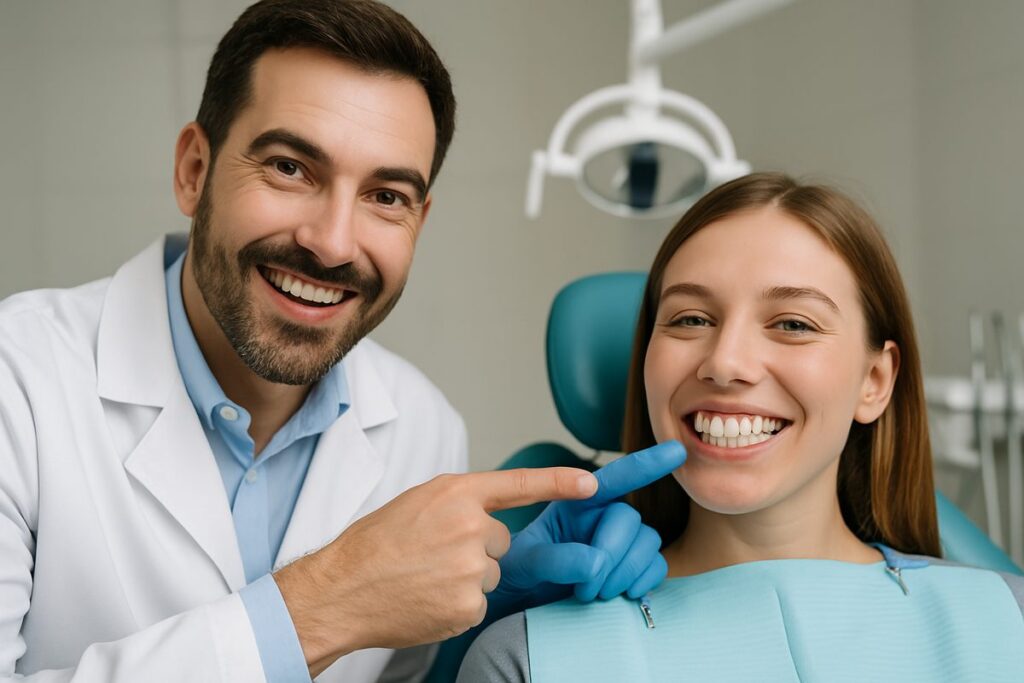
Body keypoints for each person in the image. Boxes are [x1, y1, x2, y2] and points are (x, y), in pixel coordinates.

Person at [0, 1, 687, 681]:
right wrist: (326, 605)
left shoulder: (424, 429)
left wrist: (489, 612)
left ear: (420, 218)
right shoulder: (19, 378)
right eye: (290, 168)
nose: (331, 243)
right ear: (194, 171)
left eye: (386, 196)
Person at [458, 172, 1024, 682]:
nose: (725, 362)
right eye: (691, 319)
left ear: (874, 380)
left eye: (794, 324)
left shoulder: (1009, 621)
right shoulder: (526, 659)